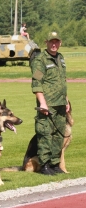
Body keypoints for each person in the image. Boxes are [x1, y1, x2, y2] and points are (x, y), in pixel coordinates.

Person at [31, 31, 70, 176]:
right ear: (46, 42)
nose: (54, 44)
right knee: (45, 135)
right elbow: (36, 83)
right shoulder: (41, 59)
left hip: (60, 103)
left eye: (56, 42)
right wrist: (42, 102)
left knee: (58, 135)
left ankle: (55, 163)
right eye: (51, 42)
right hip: (47, 104)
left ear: (60, 43)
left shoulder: (60, 58)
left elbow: (62, 81)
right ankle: (45, 164)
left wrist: (66, 100)